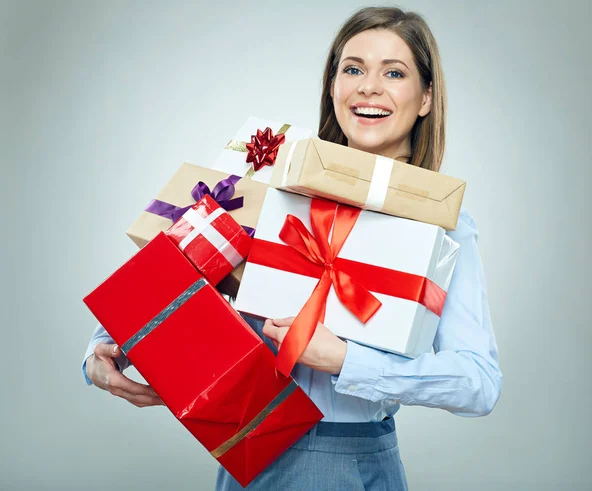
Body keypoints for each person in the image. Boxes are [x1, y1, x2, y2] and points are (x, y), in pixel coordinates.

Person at [82, 7, 503, 490]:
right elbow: (151, 291)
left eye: (394, 72)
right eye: (353, 69)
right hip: (252, 448)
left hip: (358, 460)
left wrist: (347, 361)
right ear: (333, 88)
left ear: (426, 97)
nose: (368, 86)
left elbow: (478, 382)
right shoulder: (271, 187)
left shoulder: (443, 227)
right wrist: (100, 355)